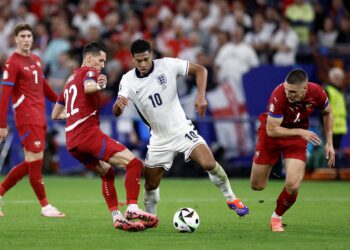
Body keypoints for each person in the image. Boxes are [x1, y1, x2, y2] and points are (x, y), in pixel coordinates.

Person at [113, 39, 249, 220]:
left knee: (209, 163)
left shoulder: (168, 65)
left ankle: (232, 198)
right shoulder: (128, 80)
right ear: (132, 59)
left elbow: (201, 70)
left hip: (182, 130)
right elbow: (116, 111)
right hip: (159, 139)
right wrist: (119, 106)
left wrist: (201, 97)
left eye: (146, 59)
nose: (143, 64)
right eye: (139, 61)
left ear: (151, 54)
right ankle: (151, 219)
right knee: (150, 185)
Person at [51, 41, 157, 232]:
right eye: (100, 60)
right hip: (88, 134)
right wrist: (98, 85)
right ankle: (132, 207)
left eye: (104, 62)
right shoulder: (89, 72)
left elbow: (55, 114)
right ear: (89, 58)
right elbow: (89, 87)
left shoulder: (69, 80)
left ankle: (117, 217)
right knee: (134, 163)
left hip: (72, 141)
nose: (102, 65)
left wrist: (73, 114)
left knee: (107, 172)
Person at [250, 68, 335, 232]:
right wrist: (301, 131)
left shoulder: (316, 92)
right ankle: (272, 165)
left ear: (305, 88)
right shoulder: (279, 94)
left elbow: (328, 112)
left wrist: (329, 142)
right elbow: (272, 130)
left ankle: (276, 217)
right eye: (287, 90)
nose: (289, 94)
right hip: (272, 135)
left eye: (294, 92)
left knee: (293, 183)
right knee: (257, 185)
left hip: (296, 139)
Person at [0, 23, 64, 218]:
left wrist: (63, 102)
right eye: (23, 36)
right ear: (16, 39)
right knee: (34, 162)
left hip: (40, 116)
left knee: (32, 163)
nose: (27, 39)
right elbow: (4, 96)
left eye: (29, 36)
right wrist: (2, 125)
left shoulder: (36, 59)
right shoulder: (12, 63)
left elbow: (44, 87)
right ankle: (45, 206)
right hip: (27, 118)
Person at [325, 67, 347, 151]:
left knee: (336, 152)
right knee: (330, 152)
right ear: (333, 78)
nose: (341, 80)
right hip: (330, 128)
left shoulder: (339, 91)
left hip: (339, 127)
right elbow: (323, 111)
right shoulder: (328, 91)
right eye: (339, 78)